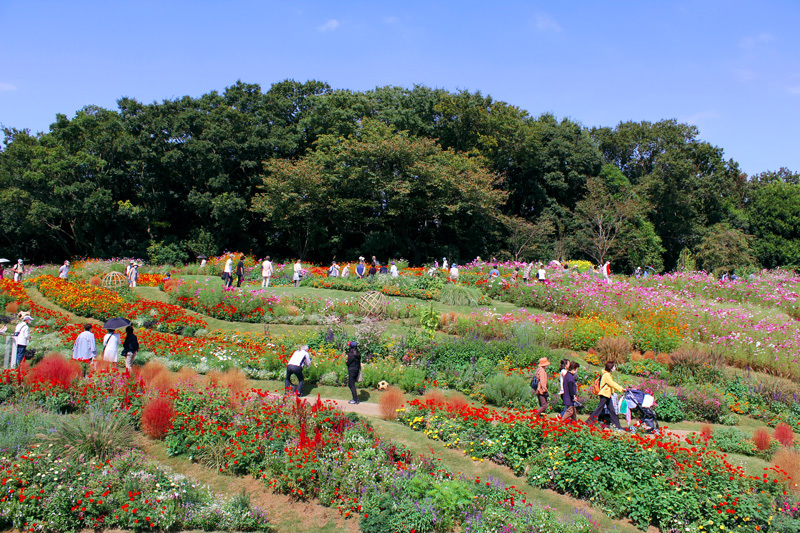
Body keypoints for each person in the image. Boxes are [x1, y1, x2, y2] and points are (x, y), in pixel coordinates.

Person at [586, 361, 625, 429]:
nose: (615, 368)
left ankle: (617, 426)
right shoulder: (606, 375)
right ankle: (588, 422)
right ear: (611, 368)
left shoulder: (607, 374)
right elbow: (612, 383)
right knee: (599, 409)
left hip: (607, 394)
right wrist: (621, 389)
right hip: (604, 394)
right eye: (614, 366)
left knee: (612, 410)